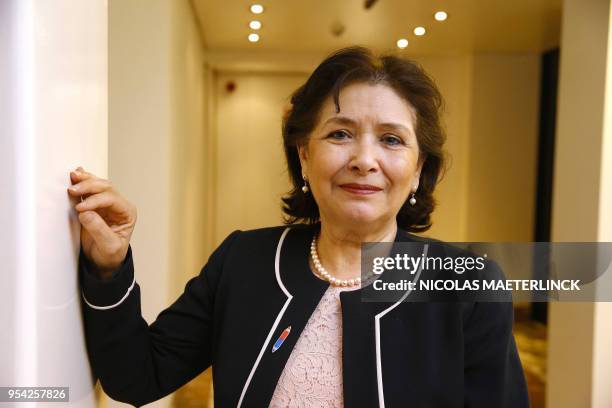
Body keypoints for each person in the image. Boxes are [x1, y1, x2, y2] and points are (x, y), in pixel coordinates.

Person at [69, 46, 529, 407]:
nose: (364, 160)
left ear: (417, 167)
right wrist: (108, 268)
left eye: (391, 139)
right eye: (339, 134)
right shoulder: (244, 261)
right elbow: (136, 378)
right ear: (304, 155)